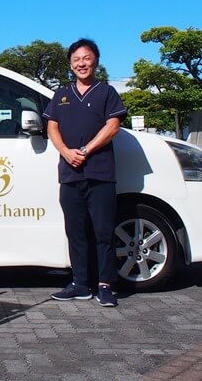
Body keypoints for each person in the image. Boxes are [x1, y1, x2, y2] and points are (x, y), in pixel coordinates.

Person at [43, 38, 127, 307]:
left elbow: (112, 126)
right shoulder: (61, 94)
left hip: (100, 173)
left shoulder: (107, 92)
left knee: (103, 231)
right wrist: (67, 152)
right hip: (70, 174)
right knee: (75, 231)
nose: (82, 63)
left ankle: (105, 285)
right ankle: (80, 283)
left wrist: (86, 150)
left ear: (96, 61)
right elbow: (51, 128)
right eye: (77, 59)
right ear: (70, 63)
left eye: (86, 58)